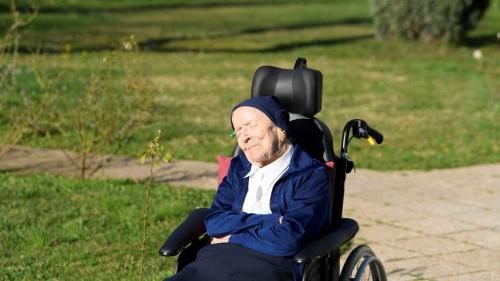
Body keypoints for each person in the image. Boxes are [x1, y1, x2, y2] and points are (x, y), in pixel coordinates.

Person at [164, 96, 331, 281]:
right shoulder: (238, 168)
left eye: (250, 125)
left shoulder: (311, 175)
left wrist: (232, 237)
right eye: (237, 131)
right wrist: (273, 221)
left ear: (281, 128)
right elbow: (214, 222)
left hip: (271, 263)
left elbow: (288, 239)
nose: (244, 137)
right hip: (216, 257)